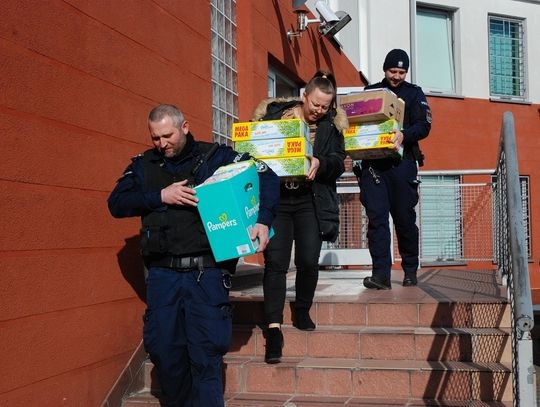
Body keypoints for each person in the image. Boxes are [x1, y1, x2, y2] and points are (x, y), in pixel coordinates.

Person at [107, 104, 279, 407]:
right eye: (155, 138)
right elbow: (116, 203)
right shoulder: (143, 165)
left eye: (167, 136)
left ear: (184, 126)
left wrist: (263, 219)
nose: (162, 144)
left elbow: (266, 176)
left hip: (206, 274)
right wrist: (160, 196)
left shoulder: (216, 157)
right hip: (163, 276)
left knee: (205, 354)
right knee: (165, 353)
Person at [251, 70, 348, 364]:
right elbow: (255, 150)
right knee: (276, 263)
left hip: (310, 200)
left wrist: (322, 162)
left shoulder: (331, 127)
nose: (319, 111)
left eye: (325, 107)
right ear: (305, 95)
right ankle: (273, 329)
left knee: (308, 259)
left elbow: (339, 163)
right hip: (278, 200)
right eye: (315, 104)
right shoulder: (275, 118)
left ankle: (302, 308)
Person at [354, 48, 432, 290]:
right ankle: (381, 275)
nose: (397, 76)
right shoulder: (371, 92)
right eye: (392, 71)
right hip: (374, 167)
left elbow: (424, 126)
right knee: (377, 220)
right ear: (384, 69)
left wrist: (404, 134)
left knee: (405, 220)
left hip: (402, 164)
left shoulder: (414, 93)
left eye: (401, 71)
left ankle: (410, 269)